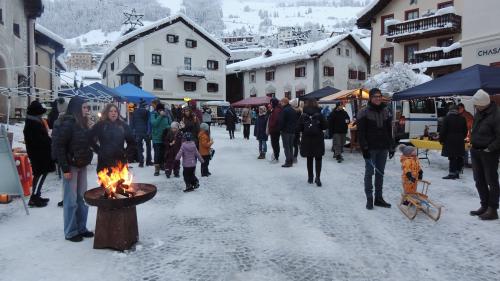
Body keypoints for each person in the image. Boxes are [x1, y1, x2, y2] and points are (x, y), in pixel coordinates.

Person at [55, 96, 94, 242]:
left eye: (87, 107)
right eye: (84, 107)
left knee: (82, 198)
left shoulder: (84, 123)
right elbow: (60, 146)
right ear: (77, 108)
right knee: (70, 201)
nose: (87, 110)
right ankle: (71, 231)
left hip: (82, 164)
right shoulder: (67, 123)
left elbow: (90, 142)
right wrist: (65, 168)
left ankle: (81, 228)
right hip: (71, 166)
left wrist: (92, 129)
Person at [358, 88, 395, 210]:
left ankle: (378, 198)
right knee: (369, 173)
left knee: (380, 173)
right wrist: (364, 149)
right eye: (375, 96)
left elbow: (389, 131)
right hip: (371, 148)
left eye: (379, 96)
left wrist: (391, 146)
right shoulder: (364, 112)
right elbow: (361, 133)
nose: (378, 98)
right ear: (370, 98)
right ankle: (369, 198)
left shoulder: (386, 111)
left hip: (383, 147)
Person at [469, 89, 500, 220]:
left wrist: (490, 148)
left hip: (489, 153)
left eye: (476, 104)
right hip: (476, 151)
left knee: (491, 181)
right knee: (479, 181)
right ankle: (484, 205)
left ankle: (492, 209)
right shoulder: (479, 113)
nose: (475, 106)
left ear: (483, 103)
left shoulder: (497, 115)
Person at [24, 100, 55, 207]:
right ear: (36, 113)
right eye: (40, 112)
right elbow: (38, 141)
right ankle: (33, 198)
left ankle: (37, 194)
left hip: (42, 154)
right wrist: (49, 141)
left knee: (43, 173)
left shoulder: (36, 121)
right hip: (38, 155)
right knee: (38, 174)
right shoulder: (32, 124)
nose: (42, 114)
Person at [89, 104, 136, 172]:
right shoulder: (100, 125)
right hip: (104, 163)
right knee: (105, 182)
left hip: (120, 161)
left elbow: (132, 142)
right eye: (111, 111)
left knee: (121, 182)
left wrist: (125, 153)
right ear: (107, 112)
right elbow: (90, 139)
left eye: (115, 111)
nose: (113, 113)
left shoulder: (123, 126)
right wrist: (99, 151)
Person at [297, 98, 328, 186]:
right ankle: (317, 177)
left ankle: (310, 177)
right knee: (318, 158)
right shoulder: (320, 114)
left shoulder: (303, 115)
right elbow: (325, 126)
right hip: (318, 139)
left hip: (307, 139)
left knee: (309, 159)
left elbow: (298, 128)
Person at [440, 104, 467, 180]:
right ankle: (457, 173)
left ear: (450, 110)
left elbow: (443, 131)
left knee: (452, 157)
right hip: (460, 140)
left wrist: (441, 139)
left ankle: (452, 174)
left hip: (449, 140)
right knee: (459, 156)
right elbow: (465, 131)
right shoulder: (462, 118)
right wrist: (461, 137)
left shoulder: (447, 118)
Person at [51, 98, 68, 207]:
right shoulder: (69, 119)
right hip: (68, 155)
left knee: (66, 181)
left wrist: (54, 155)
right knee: (67, 181)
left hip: (63, 154)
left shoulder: (58, 120)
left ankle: (66, 199)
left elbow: (55, 140)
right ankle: (66, 199)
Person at [151, 102, 171, 176]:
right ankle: (157, 169)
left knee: (164, 153)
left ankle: (162, 165)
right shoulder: (154, 115)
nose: (161, 111)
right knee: (157, 154)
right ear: (157, 110)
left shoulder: (167, 115)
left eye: (162, 110)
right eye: (159, 110)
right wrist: (160, 116)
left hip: (164, 138)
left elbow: (169, 124)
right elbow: (154, 124)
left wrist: (169, 128)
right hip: (156, 138)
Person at [131, 99, 151, 167]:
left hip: (138, 132)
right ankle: (148, 161)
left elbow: (132, 123)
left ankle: (141, 162)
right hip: (145, 131)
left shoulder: (134, 112)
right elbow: (149, 122)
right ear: (144, 105)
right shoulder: (147, 112)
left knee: (139, 147)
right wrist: (149, 131)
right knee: (148, 146)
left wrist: (133, 131)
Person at [279, 98, 297, 168]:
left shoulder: (284, 110)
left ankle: (288, 161)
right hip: (292, 131)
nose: (280, 103)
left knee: (286, 147)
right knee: (290, 146)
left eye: (281, 102)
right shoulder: (293, 110)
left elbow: (281, 121)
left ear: (284, 102)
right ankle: (291, 160)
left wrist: (280, 129)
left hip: (286, 131)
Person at [458, 103, 474, 167]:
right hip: (462, 134)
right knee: (464, 149)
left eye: (459, 108)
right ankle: (464, 162)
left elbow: (470, 124)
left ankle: (466, 162)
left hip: (467, 134)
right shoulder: (460, 115)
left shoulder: (467, 115)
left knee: (468, 148)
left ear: (463, 108)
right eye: (458, 108)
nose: (458, 109)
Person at [268, 98, 282, 163]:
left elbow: (275, 120)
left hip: (275, 129)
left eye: (271, 103)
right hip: (275, 129)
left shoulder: (276, 110)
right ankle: (276, 156)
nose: (270, 104)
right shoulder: (275, 109)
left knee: (275, 144)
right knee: (275, 143)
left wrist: (270, 125)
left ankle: (276, 157)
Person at [291, 98, 302, 163]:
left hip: (294, 129)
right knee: (295, 144)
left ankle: (294, 157)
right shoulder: (299, 111)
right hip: (297, 129)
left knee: (293, 144)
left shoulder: (294, 111)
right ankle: (295, 157)